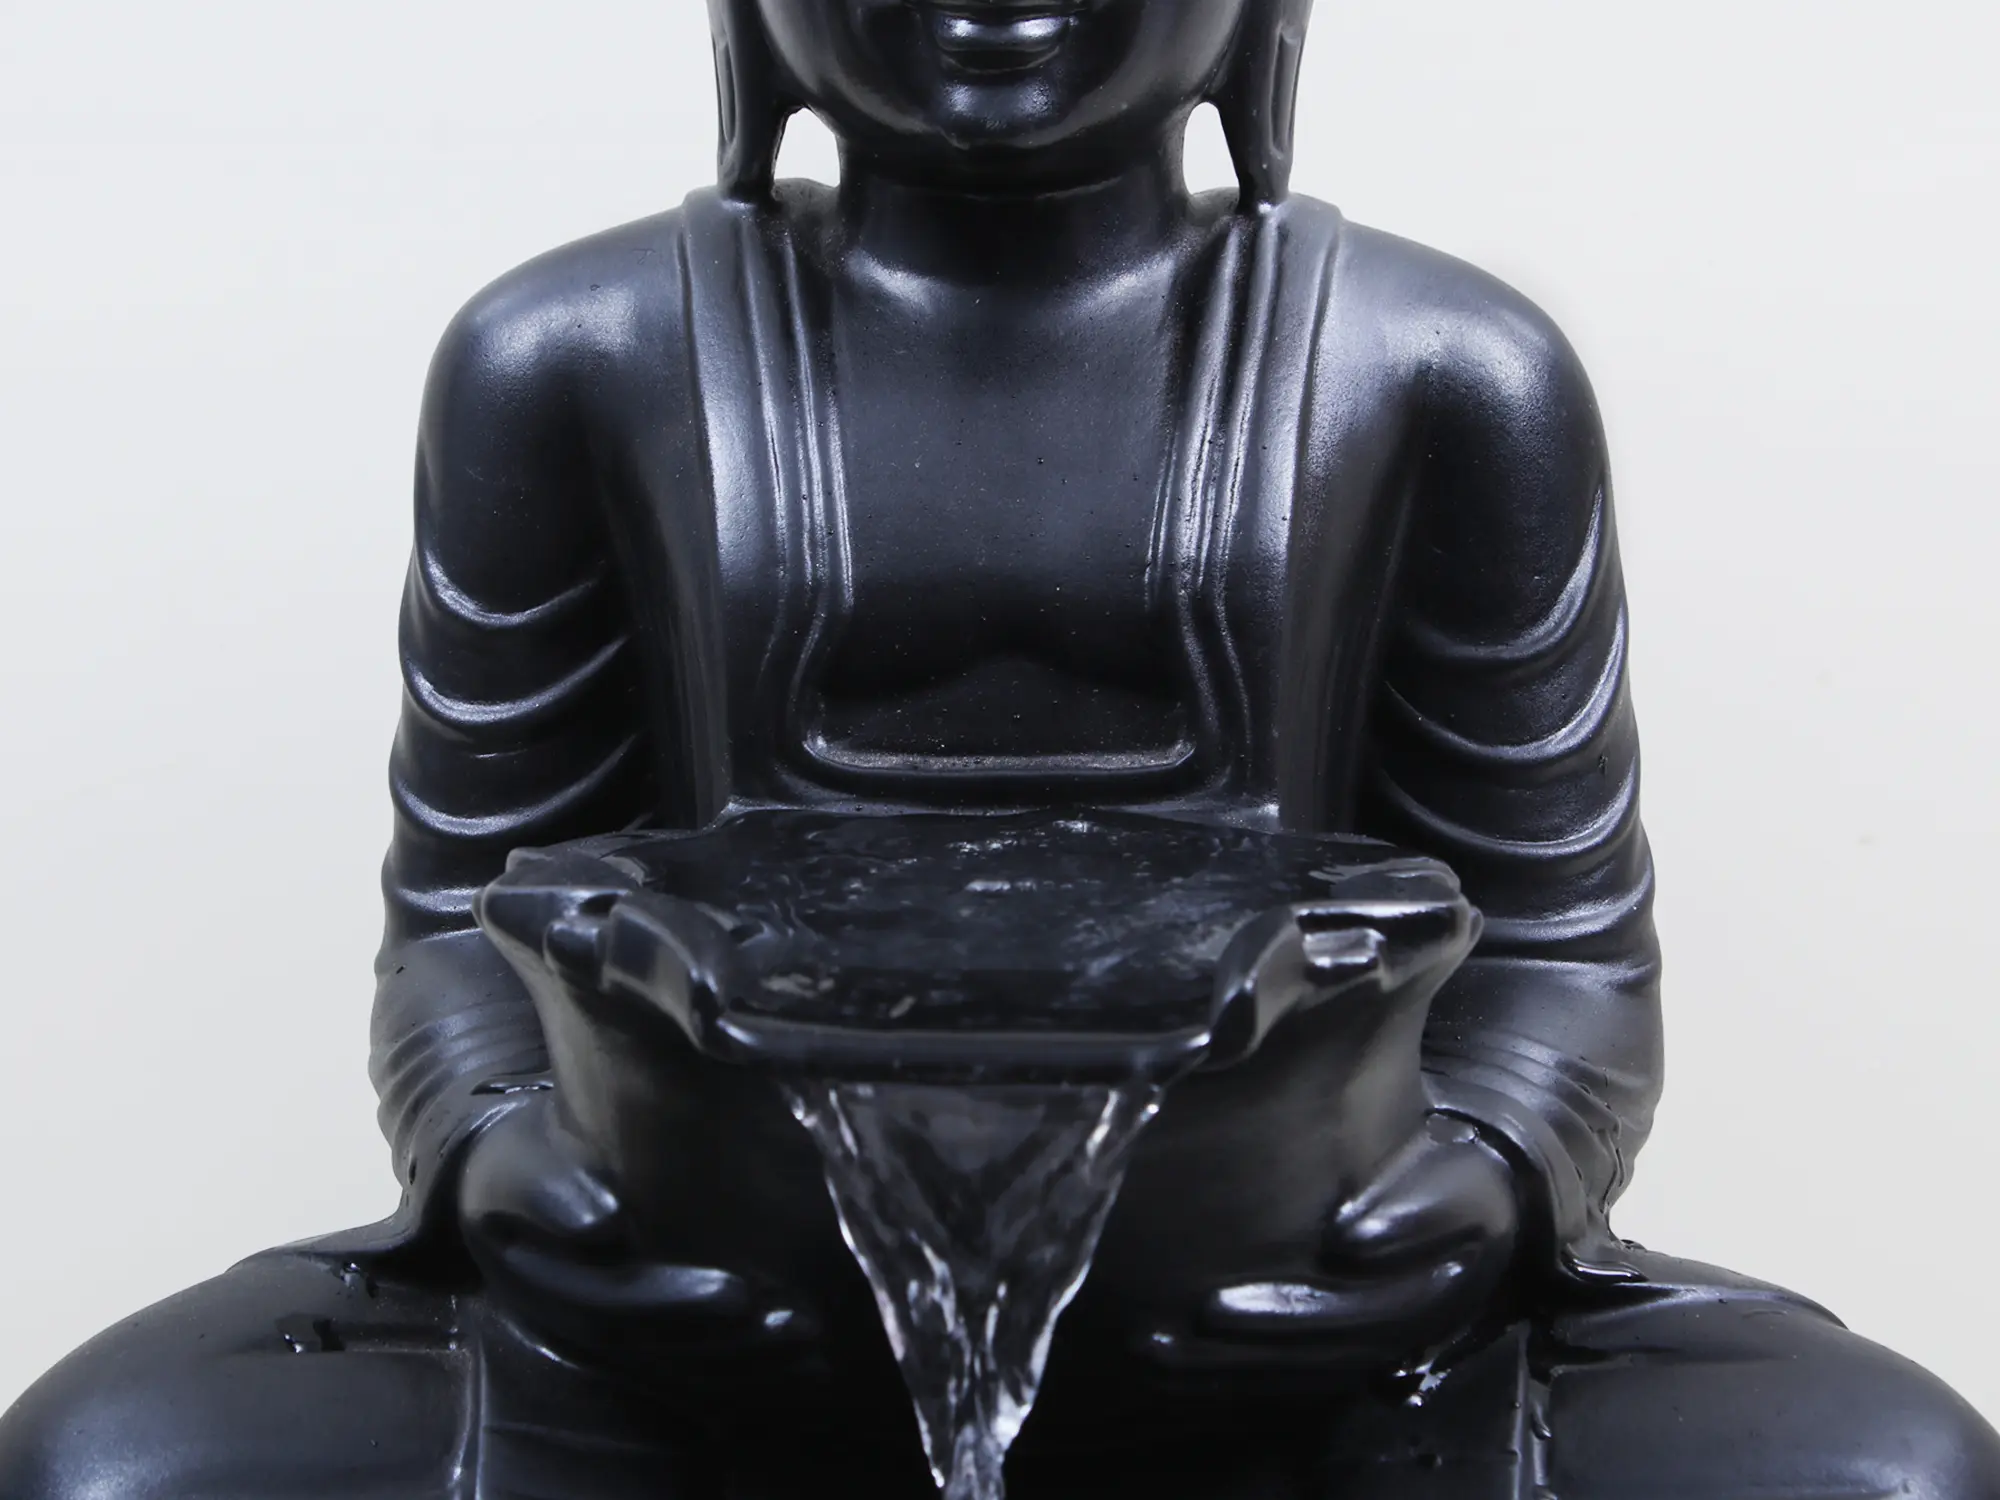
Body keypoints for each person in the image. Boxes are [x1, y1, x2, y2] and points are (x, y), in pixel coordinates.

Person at [3, 2, 1996, 1496]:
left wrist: (1465, 1203)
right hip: (701, 1317)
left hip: (1293, 1322)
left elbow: (1560, 960)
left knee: (1877, 1468)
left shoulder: (1439, 373)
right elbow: (461, 929)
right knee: (118, 1459)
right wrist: (516, 1175)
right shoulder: (574, 358)